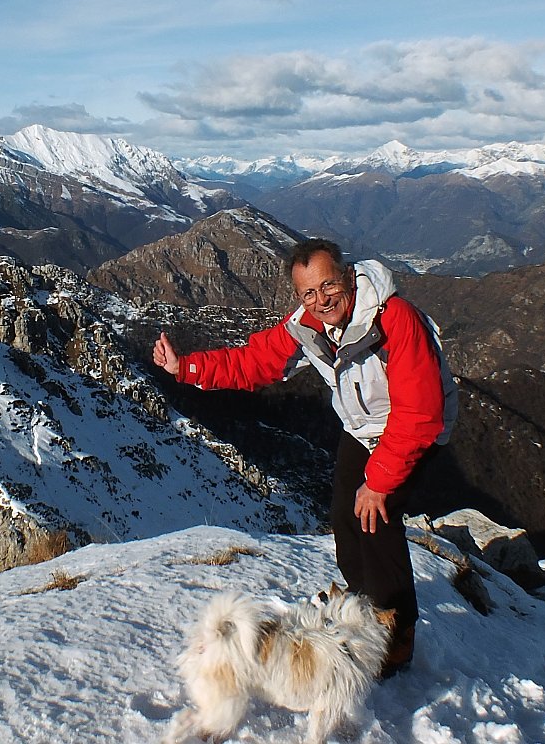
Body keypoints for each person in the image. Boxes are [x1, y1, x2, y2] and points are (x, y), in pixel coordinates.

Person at [152, 238, 457, 676]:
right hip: (362, 428)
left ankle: (396, 636)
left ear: (349, 278)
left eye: (328, 285)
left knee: (376, 516)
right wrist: (187, 368)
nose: (320, 300)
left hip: (412, 428)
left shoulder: (394, 321)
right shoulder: (306, 324)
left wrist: (379, 481)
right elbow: (255, 362)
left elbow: (420, 414)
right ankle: (360, 613)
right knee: (344, 516)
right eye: (308, 293)